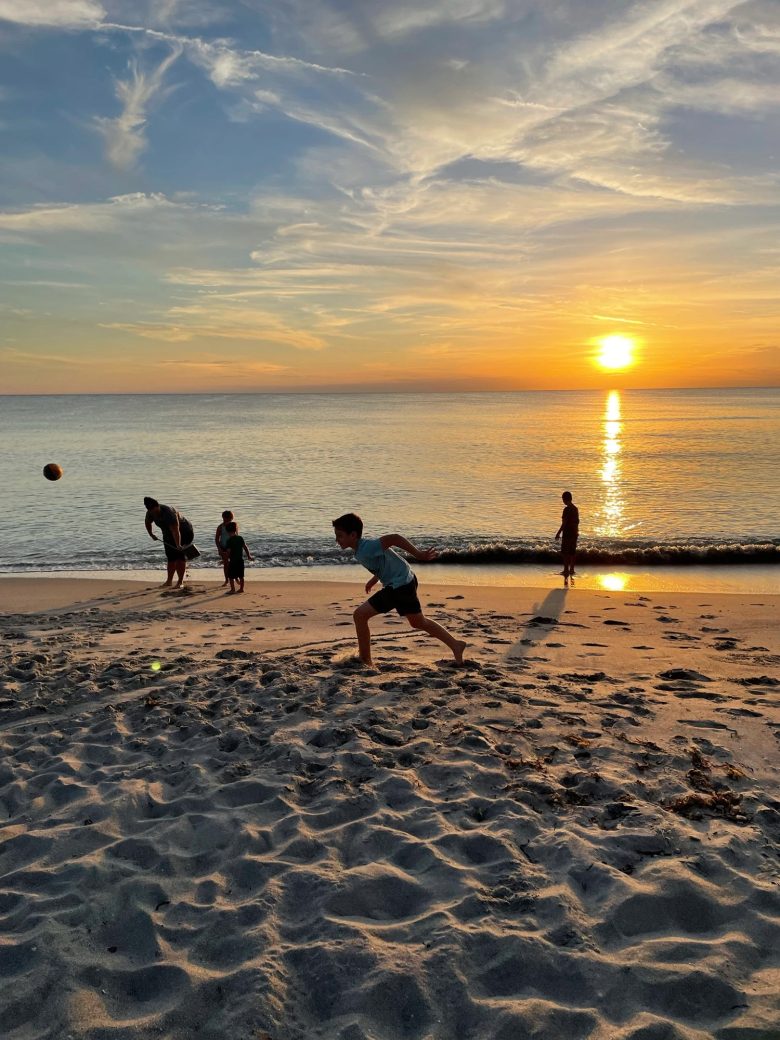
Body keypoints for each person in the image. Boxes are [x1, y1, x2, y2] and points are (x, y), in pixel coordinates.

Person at [332, 512, 466, 668]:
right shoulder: (360, 550)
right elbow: (382, 563)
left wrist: (418, 554)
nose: (337, 540)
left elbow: (395, 538)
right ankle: (456, 645)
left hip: (399, 586)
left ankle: (365, 660)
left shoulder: (367, 547)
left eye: (340, 536)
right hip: (405, 581)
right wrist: (374, 579)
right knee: (418, 622)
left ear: (353, 535)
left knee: (360, 616)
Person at [143, 496, 197, 588]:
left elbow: (175, 531)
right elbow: (147, 523)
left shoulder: (169, 513)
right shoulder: (150, 513)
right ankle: (169, 581)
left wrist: (178, 545)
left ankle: (180, 582)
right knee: (171, 557)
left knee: (180, 556)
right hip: (168, 534)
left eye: (155, 511)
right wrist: (151, 534)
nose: (154, 513)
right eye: (152, 511)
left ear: (158, 506)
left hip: (184, 532)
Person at [555, 490, 579, 580]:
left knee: (565, 552)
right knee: (572, 552)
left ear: (565, 499)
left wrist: (558, 533)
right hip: (574, 533)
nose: (563, 501)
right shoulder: (575, 509)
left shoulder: (566, 509)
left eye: (563, 499)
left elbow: (564, 523)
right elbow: (577, 522)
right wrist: (577, 532)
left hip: (567, 533)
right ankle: (572, 569)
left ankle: (566, 570)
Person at [224, 520, 253, 594]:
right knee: (241, 576)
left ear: (227, 531)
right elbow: (245, 547)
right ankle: (241, 589)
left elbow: (228, 552)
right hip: (240, 560)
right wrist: (249, 556)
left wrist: (225, 559)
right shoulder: (240, 538)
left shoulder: (229, 540)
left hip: (233, 561)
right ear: (235, 530)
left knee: (230, 576)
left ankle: (233, 589)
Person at [215, 509, 234, 587]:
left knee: (233, 563)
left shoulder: (234, 525)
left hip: (232, 547)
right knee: (226, 564)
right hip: (223, 547)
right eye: (225, 518)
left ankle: (234, 578)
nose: (226, 520)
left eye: (229, 519)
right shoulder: (220, 527)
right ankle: (227, 580)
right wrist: (219, 549)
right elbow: (216, 539)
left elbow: (236, 536)